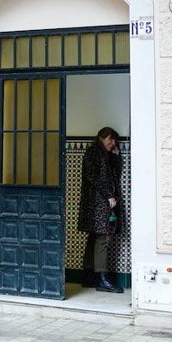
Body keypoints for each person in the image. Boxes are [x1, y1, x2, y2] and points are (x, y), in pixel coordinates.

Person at [78, 126, 125, 294]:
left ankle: (89, 276)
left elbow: (116, 175)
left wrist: (117, 158)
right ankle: (103, 279)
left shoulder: (105, 154)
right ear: (101, 137)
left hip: (99, 203)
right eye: (110, 139)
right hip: (98, 204)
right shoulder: (93, 153)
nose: (113, 143)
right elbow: (94, 177)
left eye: (115, 141)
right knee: (103, 238)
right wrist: (108, 196)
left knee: (94, 237)